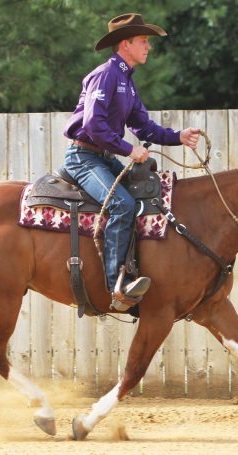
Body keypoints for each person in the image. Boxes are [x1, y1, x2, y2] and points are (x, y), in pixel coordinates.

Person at [63, 13, 201, 307]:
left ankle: (136, 267)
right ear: (125, 44)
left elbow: (144, 126)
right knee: (122, 204)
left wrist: (179, 136)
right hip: (83, 157)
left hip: (101, 156)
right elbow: (93, 124)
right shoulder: (106, 75)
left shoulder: (126, 80)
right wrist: (128, 150)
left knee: (149, 192)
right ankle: (117, 285)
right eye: (143, 41)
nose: (148, 47)